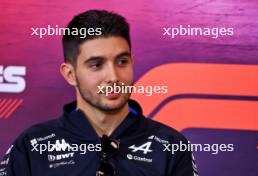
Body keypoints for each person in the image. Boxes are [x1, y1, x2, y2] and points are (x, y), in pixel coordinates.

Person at [0, 10, 198, 176]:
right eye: (96, 65)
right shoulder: (32, 146)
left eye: (122, 62)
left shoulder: (170, 145)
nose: (113, 76)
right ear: (70, 74)